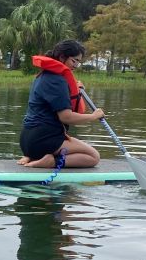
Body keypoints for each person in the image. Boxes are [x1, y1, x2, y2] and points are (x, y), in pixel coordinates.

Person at [18, 39, 103, 168]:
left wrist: (74, 88)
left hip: (27, 141)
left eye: (78, 62)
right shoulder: (57, 80)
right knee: (93, 157)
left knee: (77, 148)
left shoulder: (43, 75)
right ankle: (51, 162)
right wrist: (93, 116)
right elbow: (66, 117)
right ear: (62, 57)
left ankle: (34, 156)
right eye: (73, 60)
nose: (75, 65)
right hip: (43, 140)